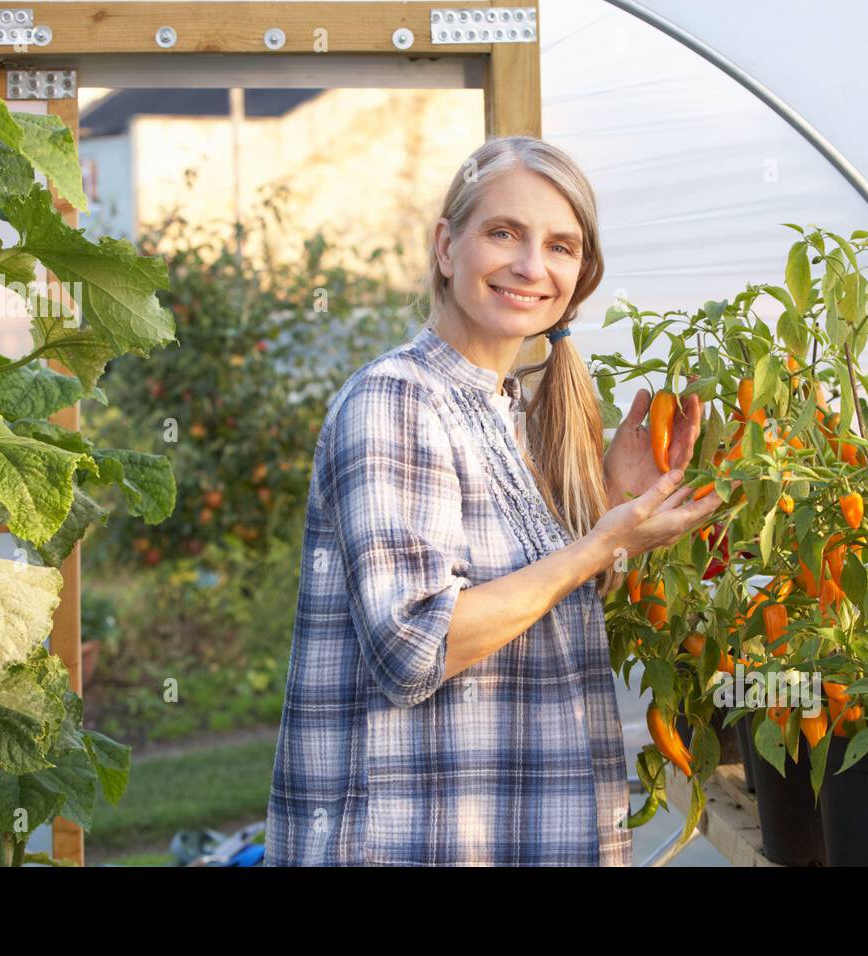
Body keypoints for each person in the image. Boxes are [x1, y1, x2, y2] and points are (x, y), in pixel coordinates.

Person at [262, 135, 722, 866]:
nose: (531, 266)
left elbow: (522, 615)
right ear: (447, 246)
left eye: (560, 246)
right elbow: (416, 647)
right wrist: (600, 544)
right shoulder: (396, 400)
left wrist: (610, 504)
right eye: (503, 232)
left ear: (582, 272)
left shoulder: (505, 411)